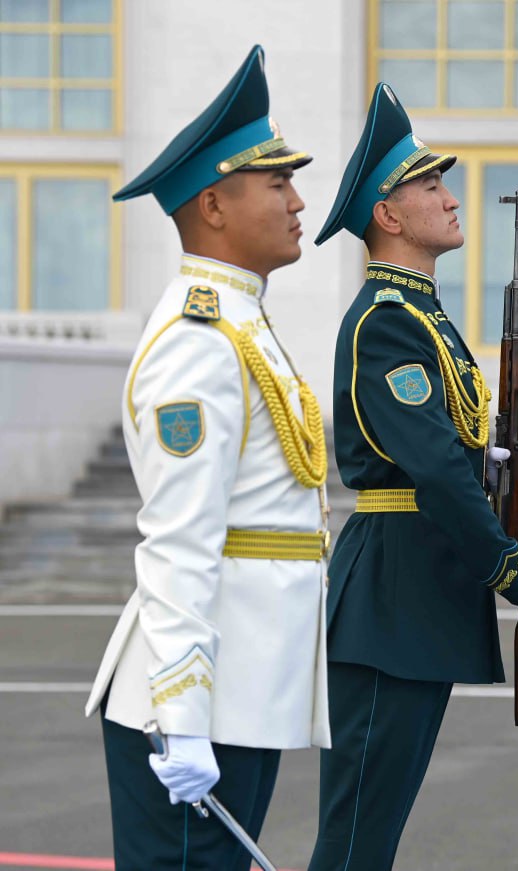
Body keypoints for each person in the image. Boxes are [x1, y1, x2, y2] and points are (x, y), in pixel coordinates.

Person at [307, 83, 518, 871]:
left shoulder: (423, 315)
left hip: (417, 593)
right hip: (392, 596)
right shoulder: (387, 321)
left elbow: (440, 444)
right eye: (430, 185)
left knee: (375, 834)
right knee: (357, 838)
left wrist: (498, 460)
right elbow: (430, 467)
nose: (451, 197)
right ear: (389, 215)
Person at [83, 46, 328, 870]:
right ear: (215, 205)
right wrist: (183, 716)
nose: (298, 201)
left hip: (244, 691)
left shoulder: (240, 320)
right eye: (277, 183)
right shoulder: (198, 340)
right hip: (198, 705)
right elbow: (180, 539)